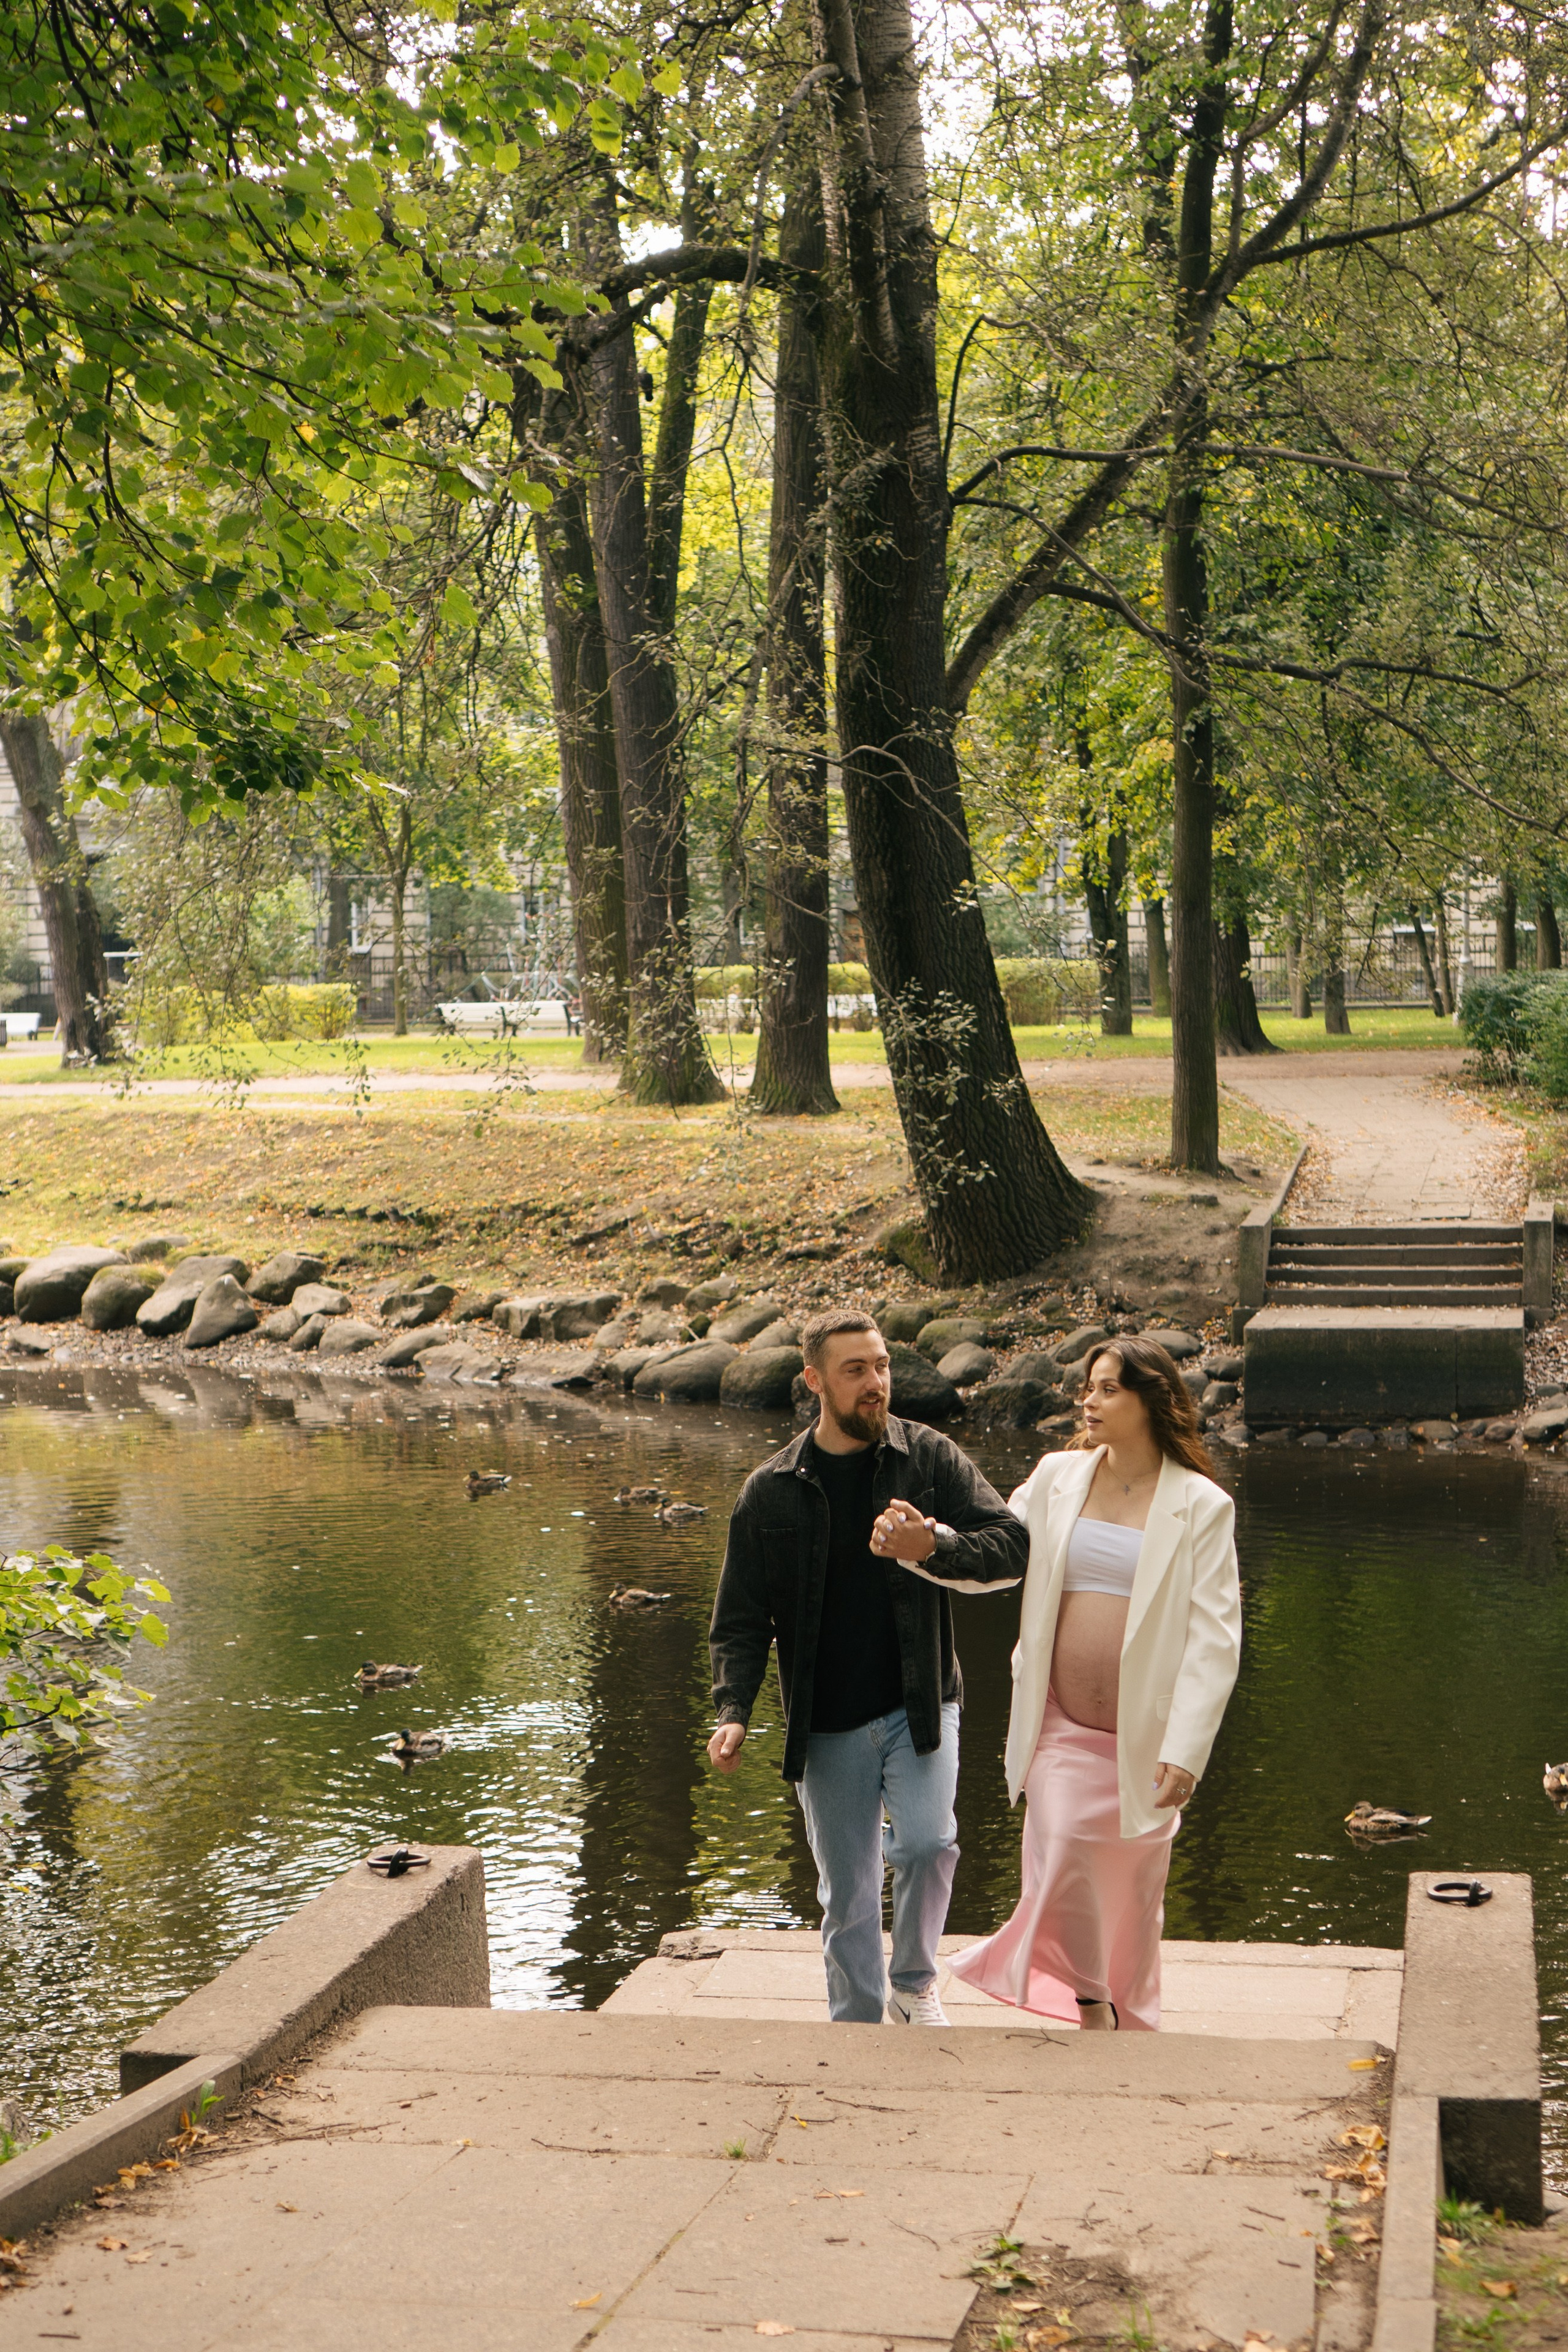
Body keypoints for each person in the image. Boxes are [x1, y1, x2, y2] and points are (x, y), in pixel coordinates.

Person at [706, 1309, 1028, 2026]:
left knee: (926, 1842)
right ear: (814, 1380)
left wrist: (932, 1544)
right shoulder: (771, 1490)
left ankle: (913, 1983)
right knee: (847, 1896)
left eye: (881, 1366)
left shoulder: (930, 1457)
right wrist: (733, 1711)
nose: (876, 1383)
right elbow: (738, 1621)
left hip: (920, 1703)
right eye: (856, 1371)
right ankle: (854, 2028)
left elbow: (1011, 1546)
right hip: (824, 1723)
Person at [927, 1335, 1242, 2032]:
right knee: (1064, 1845)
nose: (1088, 1401)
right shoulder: (1055, 1477)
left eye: (1106, 1389)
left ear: (1148, 1402)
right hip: (1061, 1724)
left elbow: (1216, 1640)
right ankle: (1092, 2003)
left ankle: (1123, 2005)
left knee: (1131, 1893)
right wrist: (931, 1548)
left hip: (1145, 1737)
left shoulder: (1202, 1505)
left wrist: (1186, 1751)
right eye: (1088, 1386)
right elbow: (998, 1557)